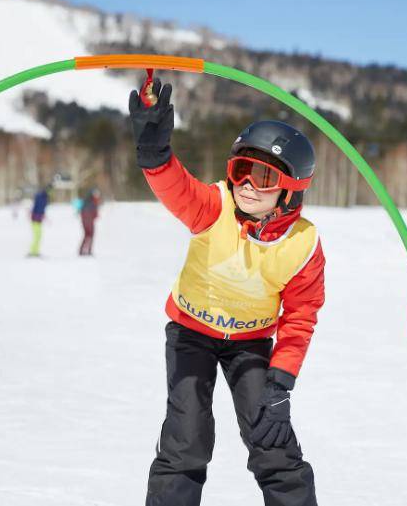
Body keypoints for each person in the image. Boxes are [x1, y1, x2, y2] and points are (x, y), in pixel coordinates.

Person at [129, 78, 324, 506]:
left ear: (291, 189)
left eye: (265, 175)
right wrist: (156, 156)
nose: (248, 185)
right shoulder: (214, 207)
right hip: (191, 335)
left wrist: (281, 382)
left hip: (251, 344)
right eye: (241, 171)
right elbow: (176, 189)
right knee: (187, 438)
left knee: (272, 441)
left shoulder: (303, 244)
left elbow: (301, 314)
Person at [28, 184, 50, 257]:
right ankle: (32, 251)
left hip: (38, 218)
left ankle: (35, 251)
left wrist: (43, 215)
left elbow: (40, 208)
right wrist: (41, 214)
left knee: (38, 236)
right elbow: (38, 208)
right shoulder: (42, 197)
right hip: (35, 218)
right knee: (37, 235)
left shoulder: (43, 197)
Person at [79, 188, 100, 256]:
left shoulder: (93, 201)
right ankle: (84, 250)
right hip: (88, 221)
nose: (97, 195)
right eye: (96, 194)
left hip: (89, 221)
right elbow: (85, 212)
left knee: (89, 235)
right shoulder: (89, 201)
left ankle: (86, 250)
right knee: (89, 235)